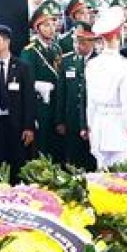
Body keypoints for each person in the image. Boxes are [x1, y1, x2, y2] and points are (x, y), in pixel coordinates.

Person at [85, 7, 127, 167]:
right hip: (120, 133)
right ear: (119, 34)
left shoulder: (91, 64)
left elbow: (90, 105)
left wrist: (92, 134)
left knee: (102, 185)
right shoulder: (125, 66)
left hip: (99, 130)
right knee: (122, 185)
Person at [0, 24, 36, 181]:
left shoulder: (22, 67)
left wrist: (29, 126)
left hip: (16, 124)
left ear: (7, 42)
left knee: (17, 163)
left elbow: (29, 98)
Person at [20, 0, 63, 160]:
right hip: (40, 105)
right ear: (37, 28)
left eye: (53, 24)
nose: (51, 29)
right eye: (46, 25)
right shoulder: (30, 51)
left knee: (57, 148)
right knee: (42, 148)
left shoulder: (57, 48)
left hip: (56, 104)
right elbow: (27, 81)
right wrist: (39, 85)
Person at [55, 21, 96, 169]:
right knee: (73, 161)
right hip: (71, 119)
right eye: (75, 41)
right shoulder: (67, 61)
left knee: (91, 160)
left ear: (92, 41)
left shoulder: (99, 61)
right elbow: (61, 92)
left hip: (92, 119)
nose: (77, 45)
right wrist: (60, 120)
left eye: (82, 42)